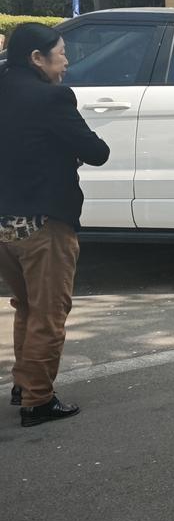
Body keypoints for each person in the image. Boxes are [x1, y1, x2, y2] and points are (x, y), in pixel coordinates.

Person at [0, 23, 110, 427]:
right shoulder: (51, 99)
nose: (66, 61)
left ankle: (23, 384)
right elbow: (97, 152)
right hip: (43, 224)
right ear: (37, 58)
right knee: (48, 311)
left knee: (26, 305)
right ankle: (37, 400)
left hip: (3, 226)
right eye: (61, 53)